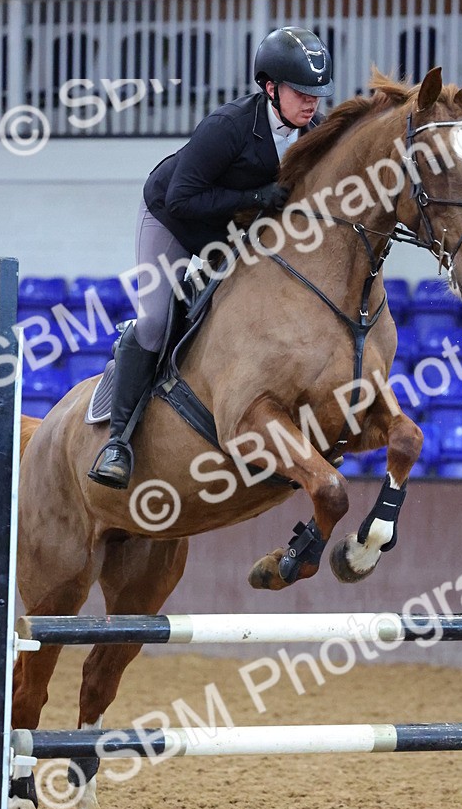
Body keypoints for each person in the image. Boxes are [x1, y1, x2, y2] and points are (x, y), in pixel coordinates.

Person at [88, 25, 334, 489]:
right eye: (300, 92)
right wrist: (257, 194)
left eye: (316, 94)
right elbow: (183, 199)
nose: (310, 103)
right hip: (174, 221)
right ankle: (117, 441)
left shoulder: (314, 133)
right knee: (157, 321)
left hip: (235, 231)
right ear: (269, 88)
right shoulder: (229, 127)